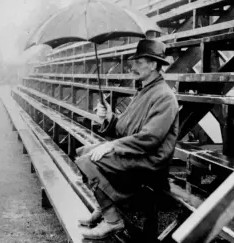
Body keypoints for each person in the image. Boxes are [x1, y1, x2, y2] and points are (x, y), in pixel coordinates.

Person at [75, 39, 179, 240]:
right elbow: (125, 128)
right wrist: (108, 117)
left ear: (154, 65)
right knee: (84, 152)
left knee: (90, 160)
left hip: (151, 161)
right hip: (137, 153)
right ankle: (105, 206)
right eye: (134, 62)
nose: (133, 67)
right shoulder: (143, 90)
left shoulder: (165, 96)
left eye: (139, 62)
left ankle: (112, 219)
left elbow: (150, 138)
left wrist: (112, 145)